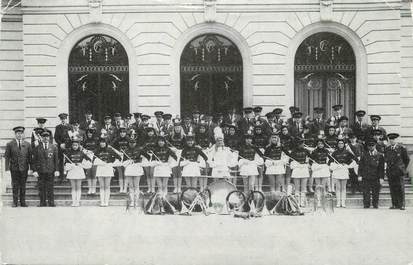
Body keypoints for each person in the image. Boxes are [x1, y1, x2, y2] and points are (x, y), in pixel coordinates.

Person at [4, 126, 32, 207]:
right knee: (15, 185)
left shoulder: (27, 144)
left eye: (21, 133)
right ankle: (15, 202)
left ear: (23, 135)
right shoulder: (10, 144)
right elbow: (7, 157)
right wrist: (7, 169)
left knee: (23, 185)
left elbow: (30, 157)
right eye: (18, 133)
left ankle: (23, 202)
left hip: (24, 168)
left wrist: (31, 168)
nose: (19, 135)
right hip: (14, 168)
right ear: (15, 134)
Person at [32, 131, 59, 207]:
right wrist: (34, 170)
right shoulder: (37, 148)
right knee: (41, 188)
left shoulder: (54, 147)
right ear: (42, 138)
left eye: (47, 136)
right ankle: (42, 203)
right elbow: (34, 160)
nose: (46, 138)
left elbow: (56, 160)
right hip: (41, 171)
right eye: (44, 136)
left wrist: (57, 170)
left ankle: (51, 203)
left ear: (49, 137)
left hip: (50, 171)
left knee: (50, 187)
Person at [384, 133, 410, 210]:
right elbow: (387, 159)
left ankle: (402, 205)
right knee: (392, 188)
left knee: (400, 188)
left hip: (399, 171)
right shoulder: (387, 149)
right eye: (390, 139)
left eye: (393, 139)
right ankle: (394, 204)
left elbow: (407, 160)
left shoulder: (402, 148)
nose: (392, 141)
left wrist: (402, 167)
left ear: (396, 140)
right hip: (390, 171)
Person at [358, 138, 385, 209]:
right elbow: (361, 166)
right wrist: (360, 175)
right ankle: (366, 204)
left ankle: (375, 204)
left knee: (376, 192)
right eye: (369, 146)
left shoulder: (380, 155)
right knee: (366, 192)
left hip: (376, 176)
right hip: (366, 176)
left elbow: (381, 168)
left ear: (375, 145)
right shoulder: (364, 155)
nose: (371, 147)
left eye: (372, 145)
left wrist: (381, 178)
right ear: (367, 147)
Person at [330, 138, 357, 208]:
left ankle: (343, 202)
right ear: (337, 144)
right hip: (337, 170)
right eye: (339, 143)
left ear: (344, 144)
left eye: (342, 143)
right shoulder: (334, 153)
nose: (340, 145)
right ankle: (338, 202)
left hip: (344, 170)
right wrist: (336, 166)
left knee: (343, 187)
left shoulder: (347, 152)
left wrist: (347, 165)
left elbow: (354, 159)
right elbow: (330, 162)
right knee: (338, 188)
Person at [93, 137, 120, 207]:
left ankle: (106, 202)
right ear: (99, 143)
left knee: (107, 186)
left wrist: (112, 164)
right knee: (101, 186)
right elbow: (93, 160)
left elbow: (118, 157)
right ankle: (102, 202)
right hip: (100, 169)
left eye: (103, 142)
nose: (102, 143)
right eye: (101, 142)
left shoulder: (110, 150)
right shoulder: (97, 151)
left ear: (106, 143)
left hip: (108, 168)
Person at [64, 139, 90, 207]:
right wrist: (71, 165)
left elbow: (89, 161)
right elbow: (66, 163)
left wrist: (81, 164)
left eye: (76, 145)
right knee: (73, 187)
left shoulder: (81, 153)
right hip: (72, 171)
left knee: (78, 187)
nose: (74, 146)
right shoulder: (69, 153)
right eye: (73, 145)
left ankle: (77, 202)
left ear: (78, 145)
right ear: (71, 146)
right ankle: (73, 202)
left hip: (79, 171)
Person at [123, 138, 149, 207]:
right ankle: (132, 201)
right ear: (129, 143)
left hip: (137, 168)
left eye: (133, 142)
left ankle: (136, 201)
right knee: (131, 186)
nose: (132, 144)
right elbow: (123, 161)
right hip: (129, 168)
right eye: (131, 143)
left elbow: (148, 156)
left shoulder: (140, 149)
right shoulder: (126, 151)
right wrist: (128, 161)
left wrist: (141, 160)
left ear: (136, 143)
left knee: (136, 186)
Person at [289, 138, 311, 207]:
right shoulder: (293, 151)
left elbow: (310, 159)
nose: (301, 145)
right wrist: (296, 164)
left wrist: (307, 163)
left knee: (303, 188)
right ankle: (297, 202)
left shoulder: (307, 151)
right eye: (299, 143)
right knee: (297, 188)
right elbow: (290, 161)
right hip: (296, 170)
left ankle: (302, 202)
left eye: (302, 143)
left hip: (304, 169)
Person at [168, 119, 185, 193]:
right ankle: (175, 187)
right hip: (173, 155)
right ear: (174, 128)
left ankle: (179, 187)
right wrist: (172, 148)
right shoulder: (171, 136)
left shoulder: (183, 136)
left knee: (179, 171)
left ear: (180, 128)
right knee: (174, 171)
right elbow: (167, 145)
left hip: (180, 154)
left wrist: (180, 150)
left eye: (178, 128)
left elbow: (185, 146)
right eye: (176, 128)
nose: (177, 129)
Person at [111, 127, 130, 193]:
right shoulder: (116, 139)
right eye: (121, 132)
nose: (122, 133)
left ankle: (125, 188)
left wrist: (126, 153)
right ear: (119, 133)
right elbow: (112, 147)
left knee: (126, 173)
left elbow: (131, 148)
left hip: (126, 158)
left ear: (126, 133)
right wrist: (118, 153)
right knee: (120, 173)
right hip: (119, 157)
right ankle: (121, 188)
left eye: (124, 132)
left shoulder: (128, 139)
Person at [54, 113, 71, 182]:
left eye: (64, 119)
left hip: (68, 147)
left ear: (66, 119)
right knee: (60, 161)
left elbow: (71, 136)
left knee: (68, 161)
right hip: (60, 146)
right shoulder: (58, 127)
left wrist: (66, 144)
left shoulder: (70, 127)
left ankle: (69, 176)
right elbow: (56, 137)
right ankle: (61, 176)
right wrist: (60, 143)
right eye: (62, 119)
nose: (63, 120)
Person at [82, 128, 98, 194]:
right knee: (88, 174)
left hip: (94, 158)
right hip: (87, 158)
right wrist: (86, 152)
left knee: (94, 174)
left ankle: (93, 188)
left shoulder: (96, 141)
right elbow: (83, 149)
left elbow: (98, 149)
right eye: (88, 133)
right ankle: (90, 188)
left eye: (90, 133)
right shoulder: (85, 141)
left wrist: (92, 152)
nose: (89, 134)